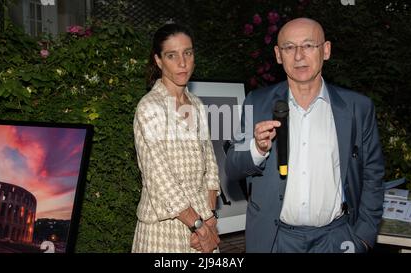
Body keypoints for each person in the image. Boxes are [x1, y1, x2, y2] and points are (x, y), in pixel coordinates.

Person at [225, 18, 385, 253]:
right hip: (275, 240)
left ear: (326, 50)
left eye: (309, 45)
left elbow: (373, 174)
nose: (299, 56)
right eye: (289, 47)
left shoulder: (357, 108)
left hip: (337, 238)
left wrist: (363, 237)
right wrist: (257, 149)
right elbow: (232, 166)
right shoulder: (256, 102)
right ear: (279, 55)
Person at [131, 23, 220, 253]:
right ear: (159, 61)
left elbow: (210, 164)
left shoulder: (197, 105)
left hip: (202, 219)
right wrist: (199, 227)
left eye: (187, 53)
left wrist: (210, 219)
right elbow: (160, 179)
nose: (182, 62)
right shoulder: (149, 107)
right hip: (165, 227)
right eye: (172, 55)